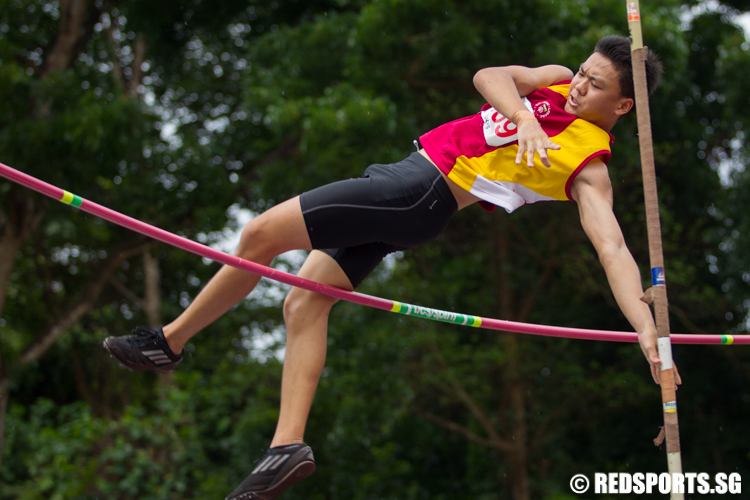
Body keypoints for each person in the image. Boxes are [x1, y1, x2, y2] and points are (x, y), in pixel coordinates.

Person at [103, 35, 679, 500]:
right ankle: (287, 445)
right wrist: (524, 118)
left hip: (419, 191)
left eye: (594, 84)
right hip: (408, 186)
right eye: (581, 72)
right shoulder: (554, 79)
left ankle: (169, 343)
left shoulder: (589, 164)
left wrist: (645, 329)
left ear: (623, 105)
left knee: (257, 235)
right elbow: (489, 77)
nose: (578, 85)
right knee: (303, 300)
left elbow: (613, 249)